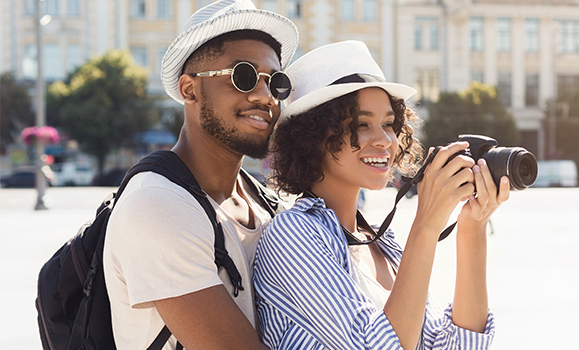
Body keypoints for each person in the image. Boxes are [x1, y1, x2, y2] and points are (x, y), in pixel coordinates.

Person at [254, 40, 509, 350]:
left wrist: (472, 227)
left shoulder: (383, 245)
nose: (385, 140)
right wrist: (426, 224)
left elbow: (458, 346)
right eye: (361, 124)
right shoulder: (291, 235)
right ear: (312, 136)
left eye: (389, 124)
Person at [102, 1, 297, 349]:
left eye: (276, 82)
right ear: (189, 89)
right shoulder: (157, 205)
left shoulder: (264, 203)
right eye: (244, 75)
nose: (265, 96)